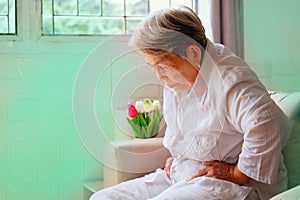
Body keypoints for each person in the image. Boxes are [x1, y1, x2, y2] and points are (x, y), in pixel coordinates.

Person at [90, 6, 290, 200]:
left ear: (193, 53)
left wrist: (237, 173)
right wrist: (181, 155)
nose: (159, 76)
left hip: (233, 186)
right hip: (186, 173)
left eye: (163, 66)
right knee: (103, 197)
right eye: (153, 67)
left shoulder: (229, 80)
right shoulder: (180, 79)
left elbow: (269, 122)